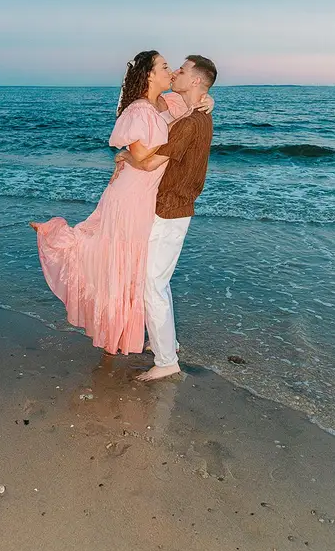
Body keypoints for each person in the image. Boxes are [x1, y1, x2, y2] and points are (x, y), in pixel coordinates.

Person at [29, 51, 211, 357]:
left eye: (174, 68)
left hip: (146, 195)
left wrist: (209, 101)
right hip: (131, 194)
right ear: (150, 75)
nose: (171, 71)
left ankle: (139, 335)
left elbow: (194, 104)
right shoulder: (138, 111)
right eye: (165, 67)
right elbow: (141, 157)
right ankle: (56, 239)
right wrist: (127, 154)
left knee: (133, 267)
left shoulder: (169, 103)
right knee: (116, 260)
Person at [114, 55, 217, 381]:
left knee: (152, 286)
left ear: (196, 81)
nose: (175, 73)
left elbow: (147, 162)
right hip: (175, 207)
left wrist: (126, 154)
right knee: (159, 282)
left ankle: (166, 361)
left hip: (170, 209)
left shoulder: (190, 123)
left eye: (182, 71)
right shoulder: (197, 115)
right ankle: (167, 343)